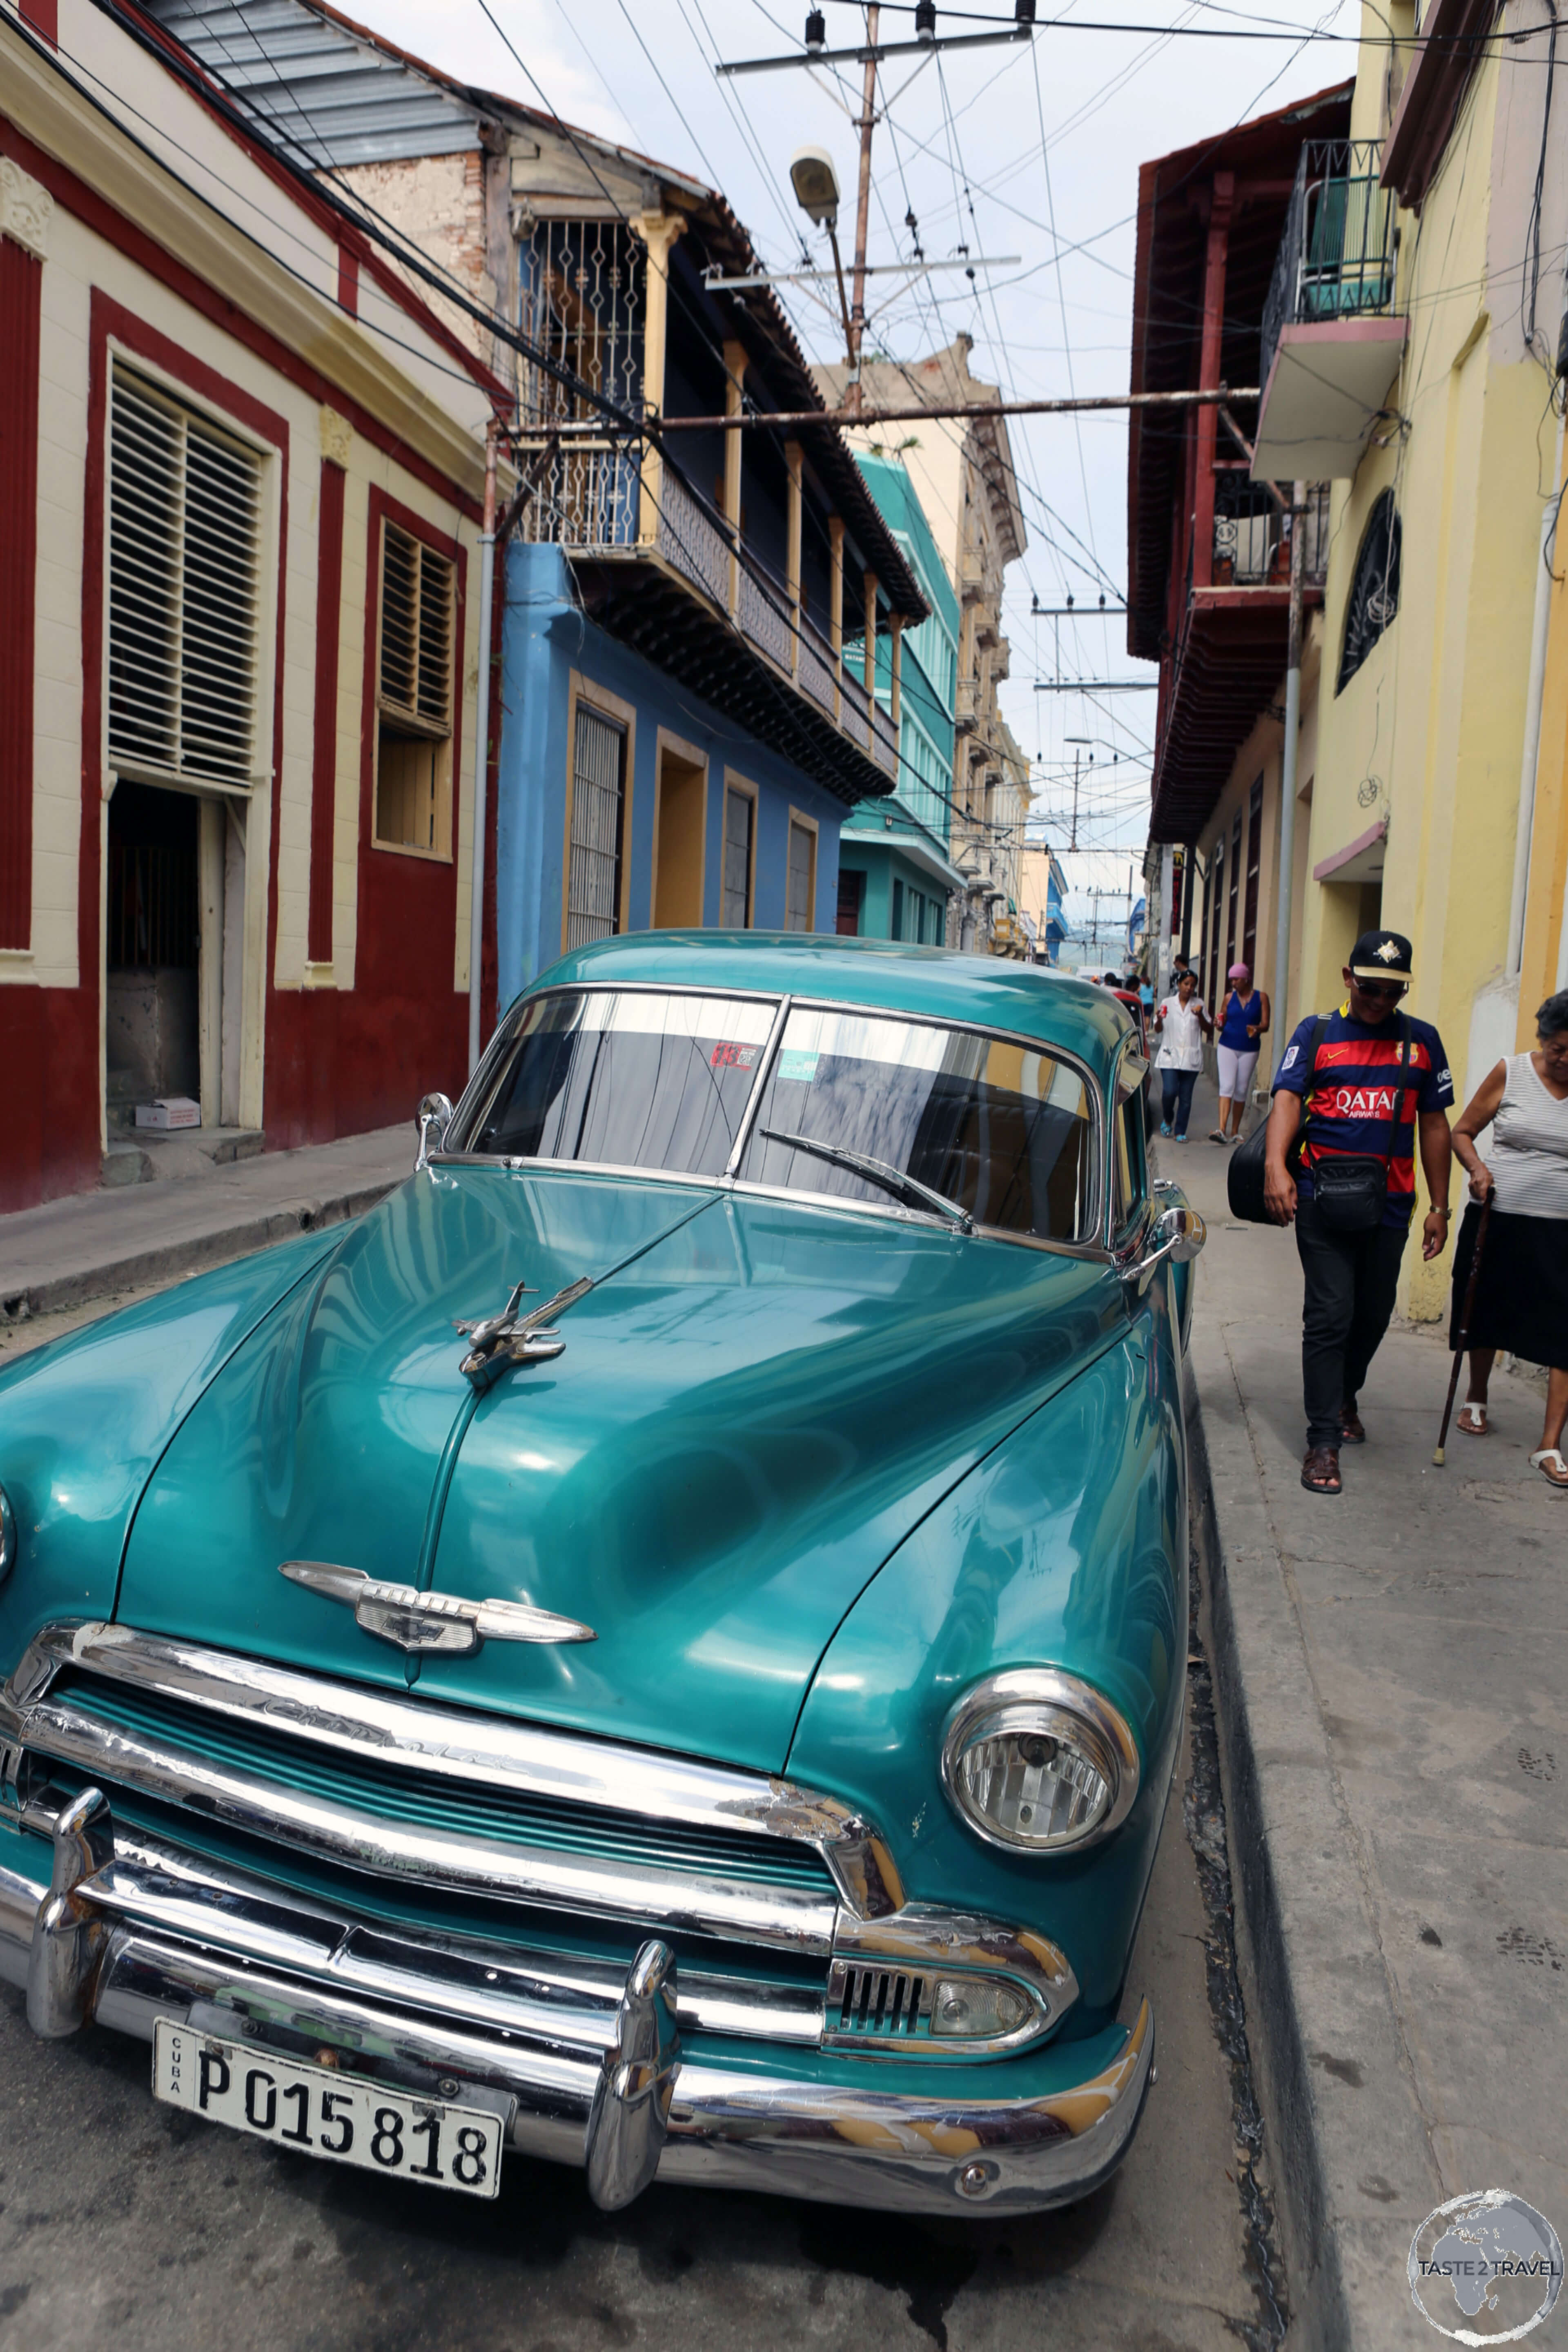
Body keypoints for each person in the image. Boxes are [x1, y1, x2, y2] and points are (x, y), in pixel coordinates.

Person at [1263, 929, 1454, 1497]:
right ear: (1349, 979)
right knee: (1329, 1315)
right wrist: (1276, 1167)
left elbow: (1436, 1124)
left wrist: (1440, 1206)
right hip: (1322, 1200)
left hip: (1391, 1206)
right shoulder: (1317, 1034)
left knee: (1372, 1315)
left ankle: (1346, 1393)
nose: (1379, 1002)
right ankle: (1323, 1438)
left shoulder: (1422, 1042)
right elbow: (1288, 1100)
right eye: (1370, 989)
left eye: (1392, 993)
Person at [1447, 990, 1568, 1486]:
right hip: (1500, 1216)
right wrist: (1476, 1170)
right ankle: (1476, 1398)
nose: (1565, 1060)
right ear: (1542, 1041)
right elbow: (1462, 1132)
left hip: (1561, 1228)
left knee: (1563, 1329)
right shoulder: (1512, 1072)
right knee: (1487, 1308)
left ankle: (1549, 1445)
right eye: (1558, 1048)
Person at [1209, 961, 1271, 1143]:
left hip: (1250, 1049)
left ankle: (1235, 1131)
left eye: (1236, 979)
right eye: (1232, 980)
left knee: (1242, 1089)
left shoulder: (1261, 998)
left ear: (1246, 979)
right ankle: (1221, 1129)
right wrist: (1218, 1024)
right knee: (1226, 1087)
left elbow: (1266, 1025)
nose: (1233, 983)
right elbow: (1222, 1021)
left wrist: (1256, 1028)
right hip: (1227, 1045)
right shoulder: (1229, 998)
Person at [1153, 967, 1212, 1142]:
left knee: (1186, 1097)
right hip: (1170, 1056)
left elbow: (1209, 1029)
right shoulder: (1168, 1002)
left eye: (1193, 985)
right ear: (1179, 984)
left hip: (1191, 1059)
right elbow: (1157, 1028)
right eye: (1186, 984)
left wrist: (1200, 1015)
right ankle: (1168, 1118)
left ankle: (1180, 1132)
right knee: (1169, 1092)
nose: (1189, 988)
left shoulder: (1199, 1004)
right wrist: (1160, 1019)